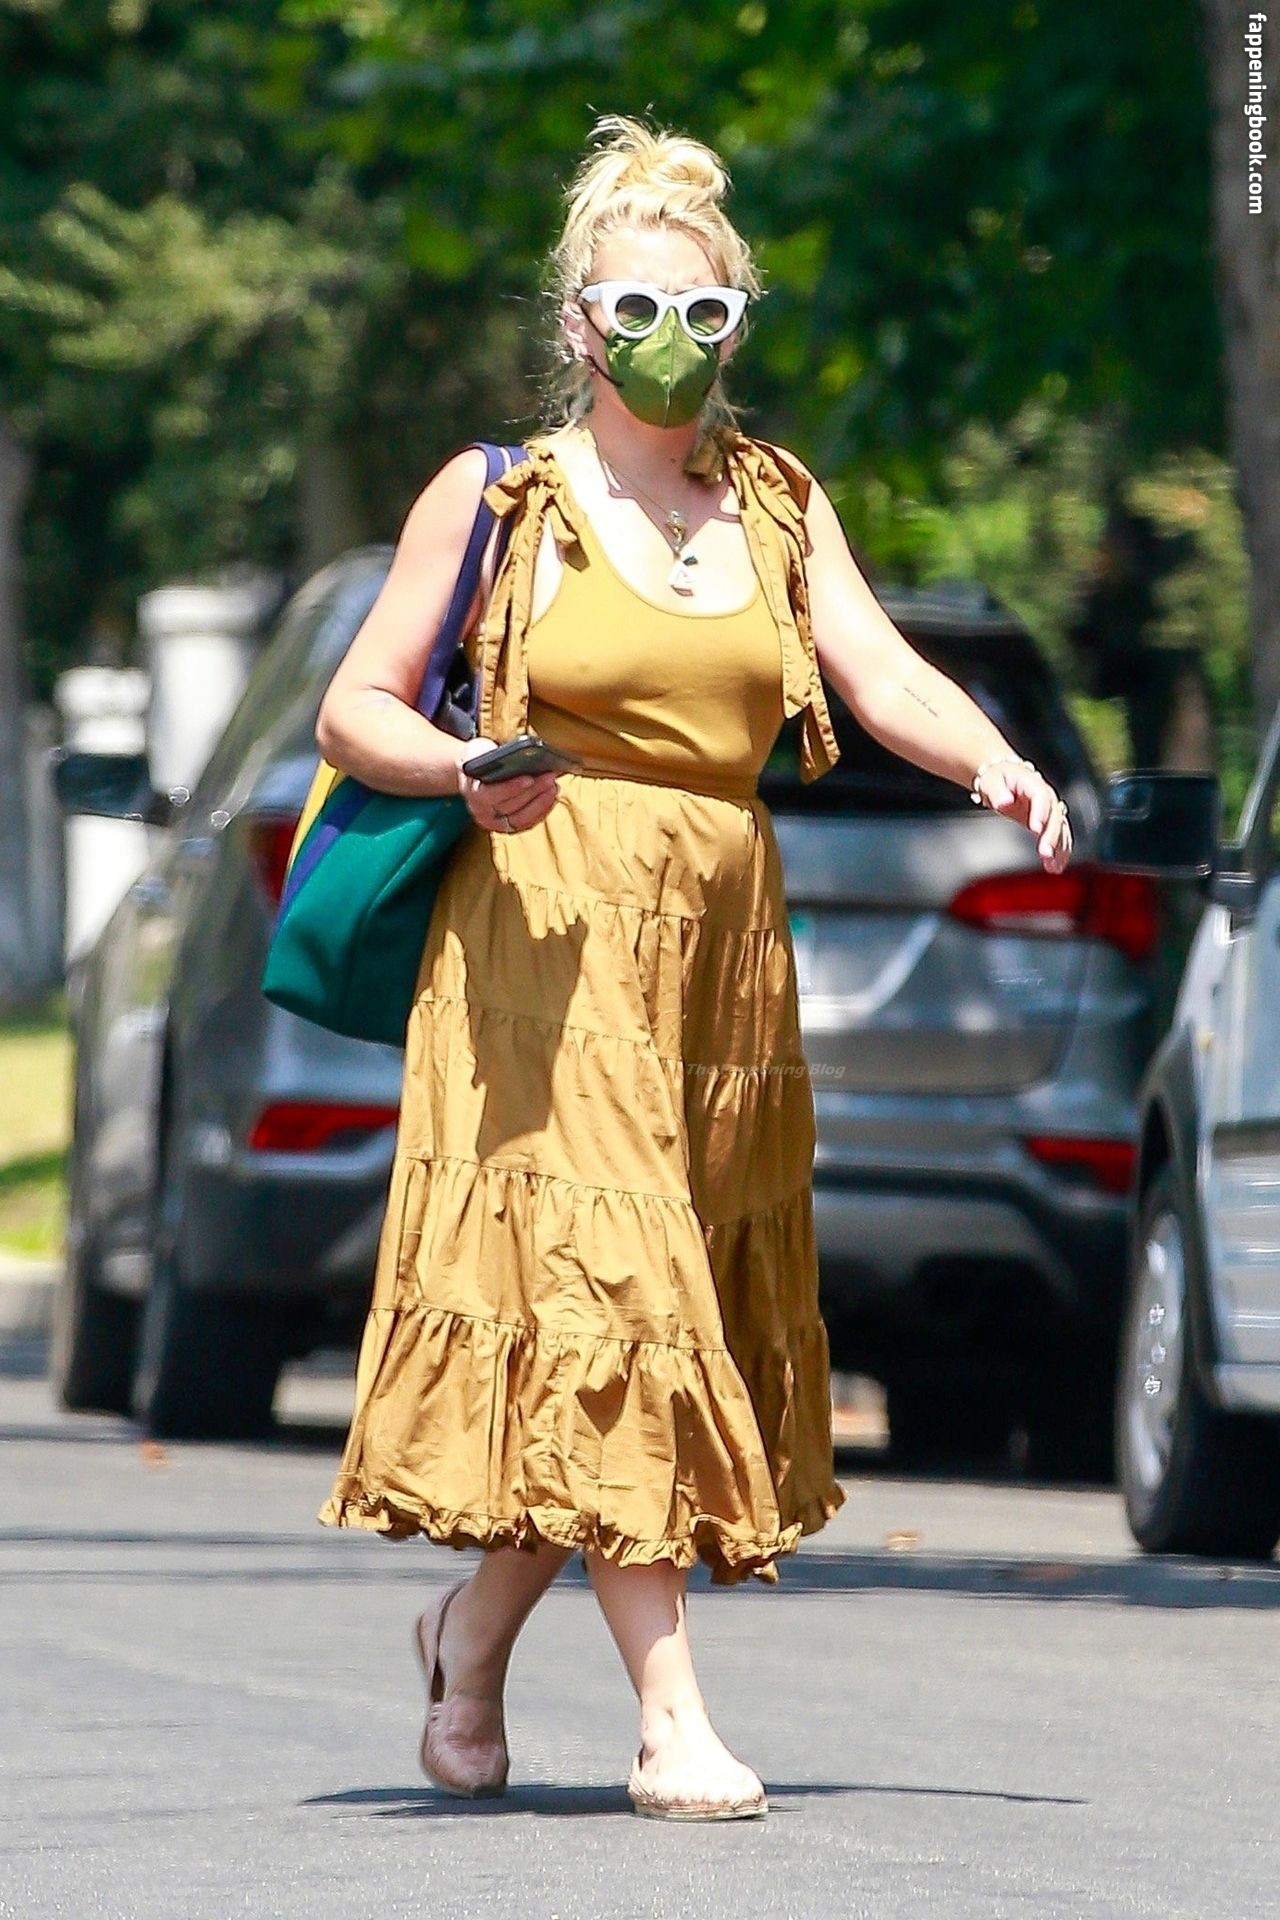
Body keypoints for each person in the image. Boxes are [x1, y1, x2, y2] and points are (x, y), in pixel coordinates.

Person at [312, 112, 1073, 1822]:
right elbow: (353, 710)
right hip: (541, 932)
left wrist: (998, 761)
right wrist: (464, 766)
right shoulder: (500, 497)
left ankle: (468, 1644)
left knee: (649, 1316)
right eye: (636, 308)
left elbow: (878, 671)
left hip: (717, 956)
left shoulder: (778, 503)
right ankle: (673, 1721)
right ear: (578, 322)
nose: (670, 339)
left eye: (703, 313)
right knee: (622, 1295)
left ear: (736, 328)